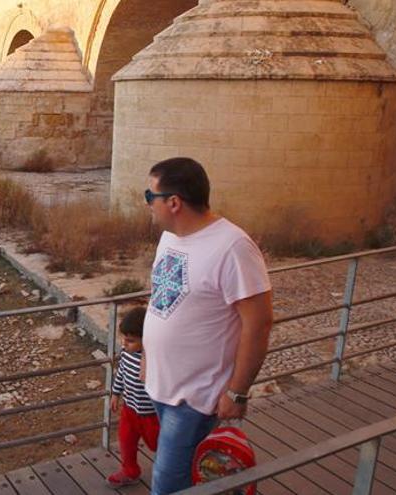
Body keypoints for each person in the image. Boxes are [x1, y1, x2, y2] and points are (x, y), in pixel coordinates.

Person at [141, 157, 273, 495]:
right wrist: (146, 355)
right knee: (183, 479)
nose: (147, 204)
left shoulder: (233, 247)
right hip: (160, 383)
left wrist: (237, 390)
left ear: (173, 202)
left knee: (167, 484)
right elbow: (161, 299)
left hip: (196, 396)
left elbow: (258, 324)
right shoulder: (170, 237)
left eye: (149, 196)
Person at [107, 306, 159, 488]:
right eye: (123, 339)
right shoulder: (126, 354)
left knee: (157, 445)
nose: (124, 344)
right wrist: (115, 393)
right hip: (129, 409)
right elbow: (121, 373)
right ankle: (130, 470)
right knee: (126, 440)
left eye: (130, 341)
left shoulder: (153, 359)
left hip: (151, 414)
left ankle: (171, 472)